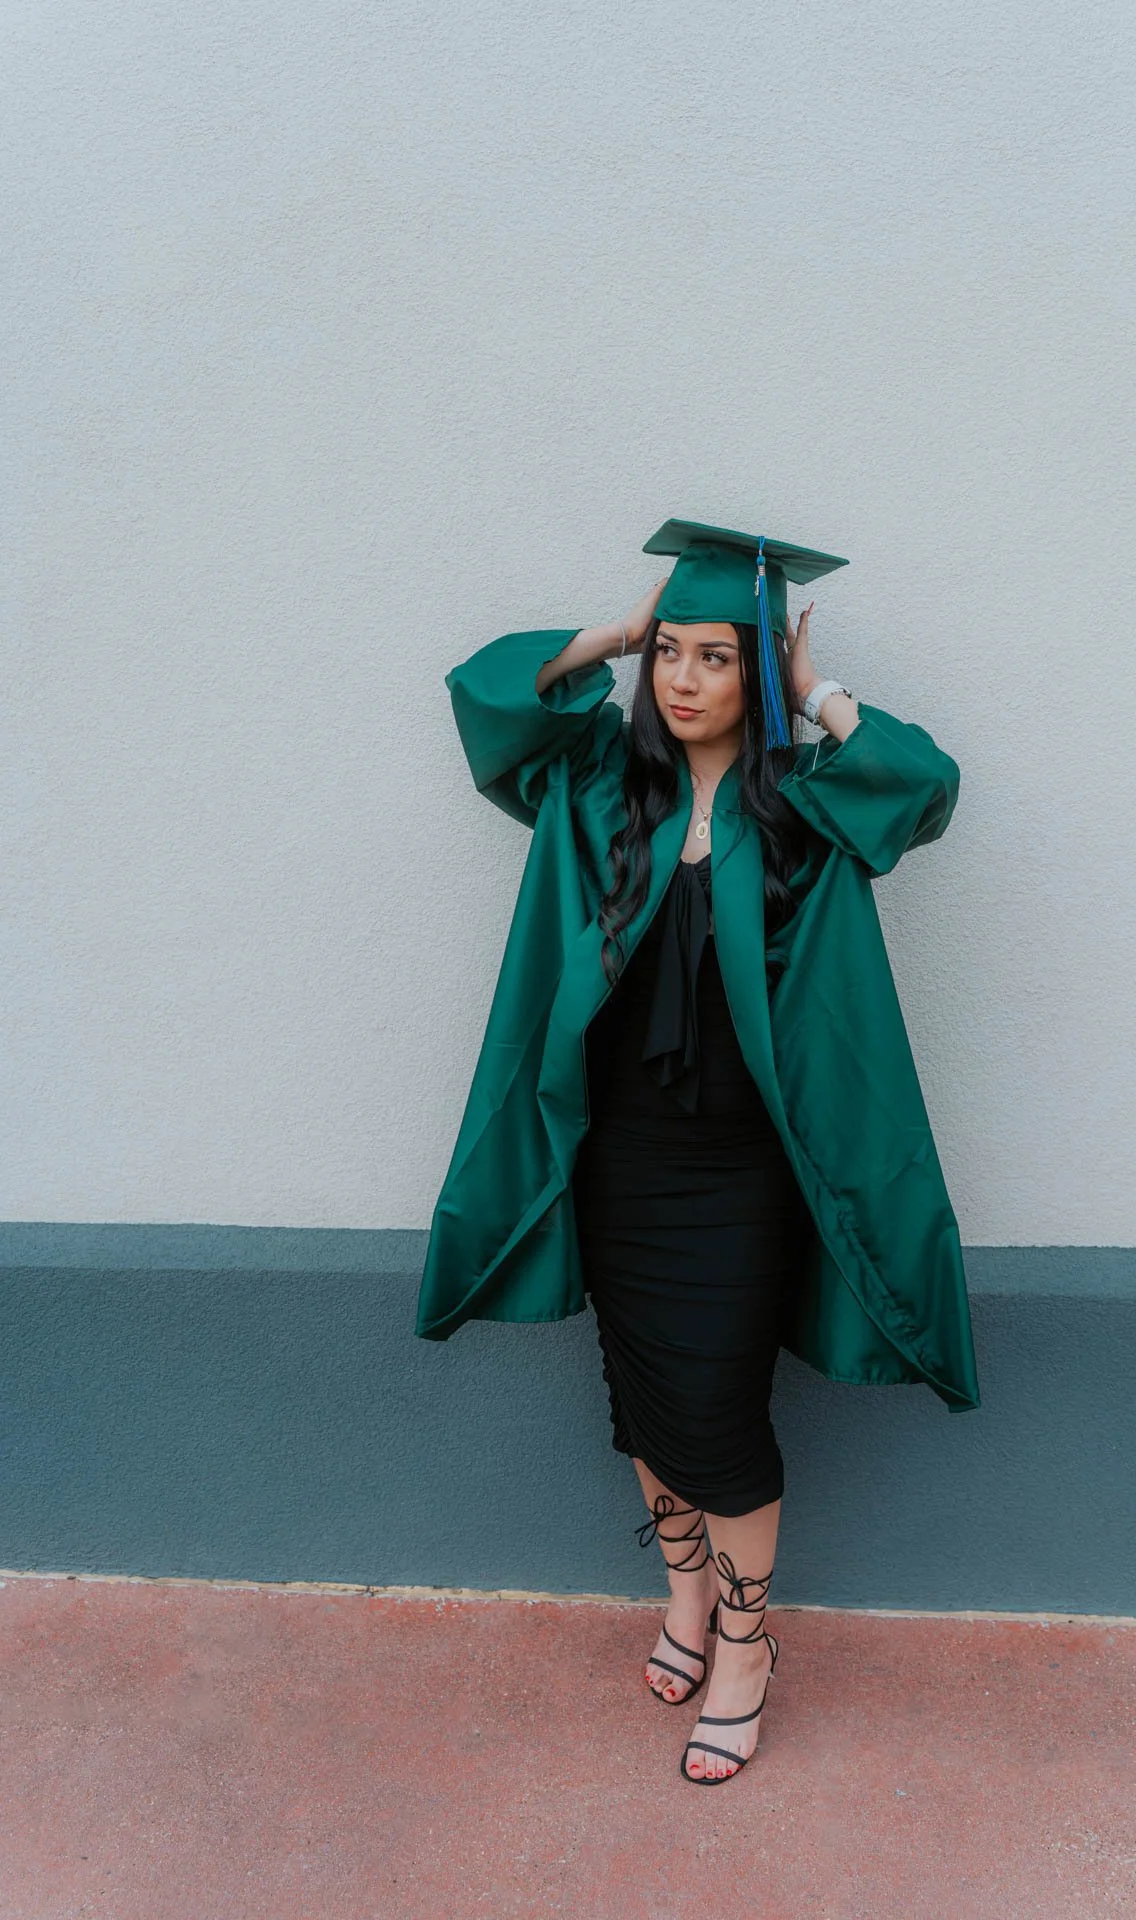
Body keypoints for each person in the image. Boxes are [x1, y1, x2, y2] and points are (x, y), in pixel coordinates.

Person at [416, 519, 980, 1785]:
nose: (679, 679)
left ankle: (743, 1642)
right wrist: (618, 630)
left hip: (743, 1173)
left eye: (712, 658)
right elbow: (488, 693)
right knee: (645, 1402)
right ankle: (680, 1595)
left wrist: (813, 690)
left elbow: (925, 784)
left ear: (754, 679)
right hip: (622, 1163)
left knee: (718, 1417)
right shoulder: (601, 792)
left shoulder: (805, 814)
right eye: (666, 653)